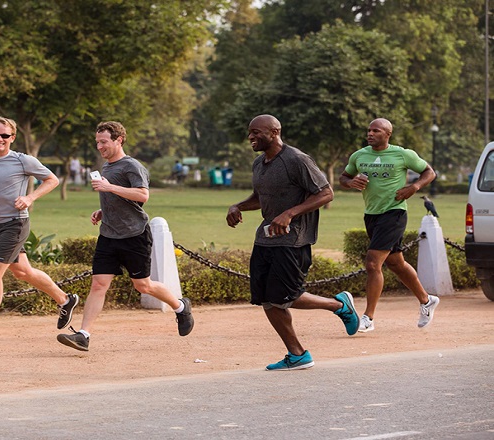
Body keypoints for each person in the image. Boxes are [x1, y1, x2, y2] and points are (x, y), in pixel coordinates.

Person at [226, 114, 359, 371]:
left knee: (288, 297)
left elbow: (326, 193)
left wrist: (290, 213)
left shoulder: (296, 159)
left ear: (275, 132)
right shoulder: (259, 163)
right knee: (266, 300)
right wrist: (237, 206)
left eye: (256, 132)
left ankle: (339, 305)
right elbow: (260, 197)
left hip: (293, 240)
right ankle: (297, 354)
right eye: (249, 132)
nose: (251, 137)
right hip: (264, 239)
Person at [57, 121, 194, 351]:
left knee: (143, 286)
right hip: (109, 235)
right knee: (99, 284)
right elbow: (120, 197)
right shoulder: (107, 167)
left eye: (104, 142)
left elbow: (142, 195)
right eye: (97, 142)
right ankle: (84, 334)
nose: (100, 146)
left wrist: (109, 188)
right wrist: (103, 210)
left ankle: (180, 306)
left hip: (134, 235)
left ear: (119, 140)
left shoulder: (131, 166)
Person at [0, 116, 79, 347]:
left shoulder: (23, 161)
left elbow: (52, 180)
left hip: (16, 223)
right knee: (23, 272)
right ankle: (65, 299)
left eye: (5, 135)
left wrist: (30, 197)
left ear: (12, 137)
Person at [339, 118, 439, 333]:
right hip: (371, 214)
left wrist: (414, 187)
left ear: (387, 134)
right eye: (369, 130)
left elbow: (429, 172)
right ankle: (426, 300)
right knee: (396, 263)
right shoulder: (359, 155)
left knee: (373, 264)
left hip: (394, 213)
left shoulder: (403, 154)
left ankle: (368, 318)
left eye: (376, 130)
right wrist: (350, 182)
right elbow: (344, 177)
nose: (370, 133)